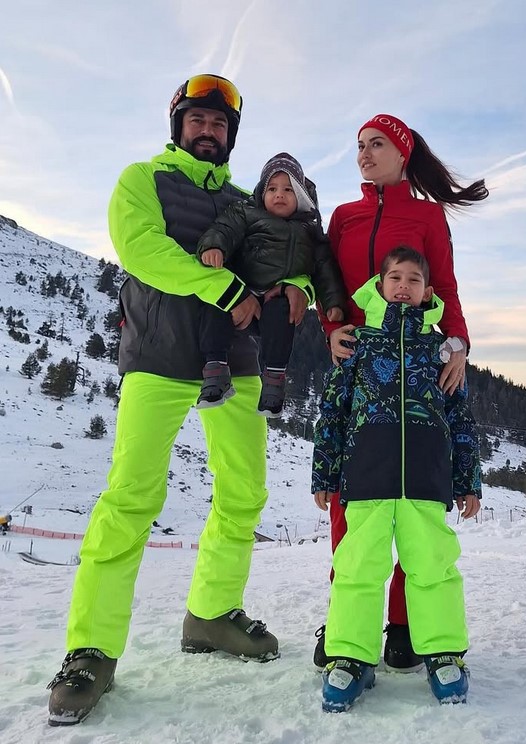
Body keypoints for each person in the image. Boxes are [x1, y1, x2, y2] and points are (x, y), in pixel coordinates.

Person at [46, 74, 291, 727]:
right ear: (178, 124)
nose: (208, 130)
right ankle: (91, 650)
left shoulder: (245, 202)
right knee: (130, 499)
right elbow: (143, 251)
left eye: (219, 123)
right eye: (198, 120)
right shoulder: (143, 180)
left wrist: (298, 288)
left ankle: (211, 613)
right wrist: (225, 289)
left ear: (230, 135)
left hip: (235, 365)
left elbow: (281, 257)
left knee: (243, 494)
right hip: (157, 359)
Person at [313, 113, 487, 672]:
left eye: (377, 144)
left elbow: (446, 284)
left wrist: (457, 345)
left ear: (402, 153)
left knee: (413, 511)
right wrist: (330, 327)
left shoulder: (428, 215)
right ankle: (347, 622)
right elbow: (329, 285)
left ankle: (405, 623)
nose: (364, 154)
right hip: (360, 360)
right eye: (360, 145)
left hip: (417, 360)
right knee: (353, 510)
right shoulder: (345, 216)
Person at [312, 246, 482, 711]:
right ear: (380, 285)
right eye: (395, 278)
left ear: (427, 292)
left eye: (413, 279)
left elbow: (460, 418)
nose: (403, 285)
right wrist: (324, 471)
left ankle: (443, 653)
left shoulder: (441, 351)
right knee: (357, 568)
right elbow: (333, 411)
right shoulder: (357, 343)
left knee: (433, 566)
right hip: (366, 476)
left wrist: (468, 480)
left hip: (426, 479)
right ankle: (350, 657)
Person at [195, 152, 346, 416]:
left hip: (274, 300)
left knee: (282, 312)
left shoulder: (309, 231)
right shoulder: (247, 212)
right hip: (242, 291)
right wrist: (214, 246)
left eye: (288, 190)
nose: (279, 195)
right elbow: (225, 228)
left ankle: (274, 382)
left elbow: (325, 269)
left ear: (300, 195)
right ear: (262, 192)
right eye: (272, 189)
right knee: (217, 302)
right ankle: (215, 369)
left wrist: (333, 302)